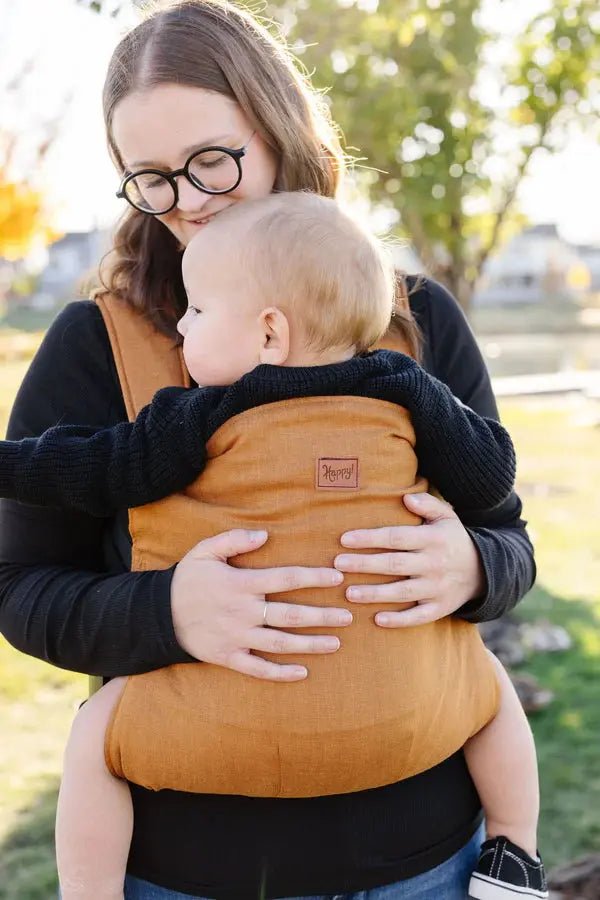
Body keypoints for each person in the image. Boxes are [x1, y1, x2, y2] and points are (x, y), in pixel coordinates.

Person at [0, 2, 540, 898]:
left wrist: (470, 566)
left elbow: (510, 538)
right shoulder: (98, 344)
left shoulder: (417, 324)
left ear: (281, 130)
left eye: (214, 159)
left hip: (425, 861)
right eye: (153, 178)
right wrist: (168, 610)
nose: (191, 202)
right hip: (185, 870)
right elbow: (19, 588)